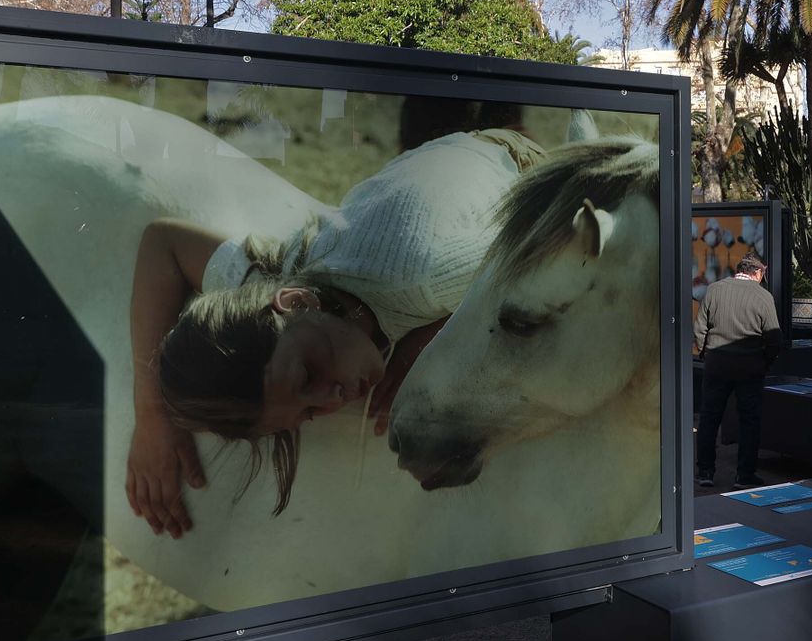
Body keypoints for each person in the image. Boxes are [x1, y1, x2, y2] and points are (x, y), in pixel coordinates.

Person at [127, 126, 546, 537]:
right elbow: (162, 243)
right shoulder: (270, 300)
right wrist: (159, 417)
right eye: (307, 413)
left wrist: (436, 327)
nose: (337, 397)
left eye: (308, 375)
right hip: (422, 178)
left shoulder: (425, 278)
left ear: (297, 303)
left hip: (508, 159)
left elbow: (545, 246)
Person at [693, 253, 782, 489]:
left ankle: (705, 472)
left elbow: (700, 327)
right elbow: (774, 338)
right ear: (759, 272)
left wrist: (705, 353)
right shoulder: (764, 297)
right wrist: (765, 361)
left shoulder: (714, 290)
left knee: (710, 418)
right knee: (749, 421)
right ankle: (744, 475)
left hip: (717, 364)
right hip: (750, 367)